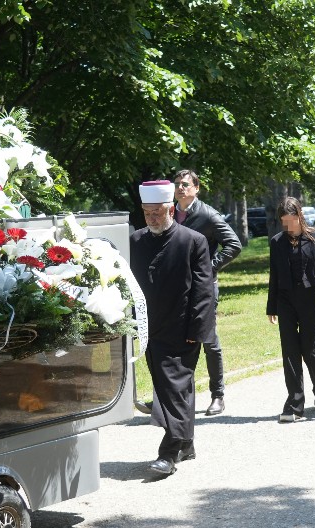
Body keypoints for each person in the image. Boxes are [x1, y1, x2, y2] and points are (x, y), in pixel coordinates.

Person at [130, 180, 216, 476]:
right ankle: (186, 444)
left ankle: (168, 453)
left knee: (174, 388)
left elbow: (203, 290)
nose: (152, 218)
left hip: (183, 330)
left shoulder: (193, 241)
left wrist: (197, 330)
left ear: (170, 209)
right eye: (147, 213)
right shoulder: (136, 241)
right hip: (150, 330)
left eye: (157, 212)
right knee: (173, 388)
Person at [173, 169, 241, 415]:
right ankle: (172, 396)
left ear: (196, 188)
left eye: (185, 184)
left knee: (209, 341)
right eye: (177, 184)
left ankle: (217, 396)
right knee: (176, 341)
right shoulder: (169, 213)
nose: (180, 188)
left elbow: (234, 244)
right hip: (176, 288)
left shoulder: (208, 215)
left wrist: (208, 268)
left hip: (204, 288)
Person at [266, 197, 315, 422]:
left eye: (292, 220)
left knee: (310, 349)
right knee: (290, 351)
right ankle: (295, 404)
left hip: (309, 298)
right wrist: (271, 307)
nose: (288, 225)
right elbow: (274, 275)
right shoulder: (277, 242)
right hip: (285, 300)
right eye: (284, 221)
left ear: (300, 216)